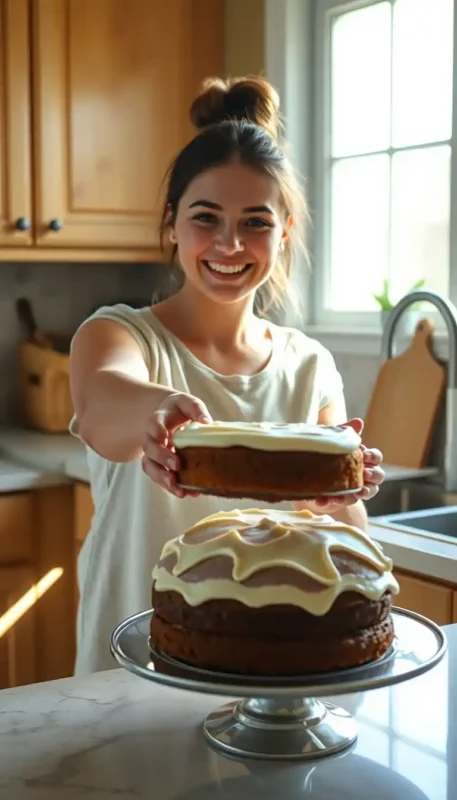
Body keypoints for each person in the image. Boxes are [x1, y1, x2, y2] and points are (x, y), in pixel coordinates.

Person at [69, 75, 385, 675]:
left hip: (275, 687)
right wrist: (156, 412)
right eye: (206, 217)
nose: (230, 244)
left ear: (285, 231)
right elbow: (102, 407)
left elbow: (343, 542)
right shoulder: (120, 335)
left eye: (256, 223)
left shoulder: (309, 366)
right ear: (172, 223)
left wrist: (343, 498)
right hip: (131, 680)